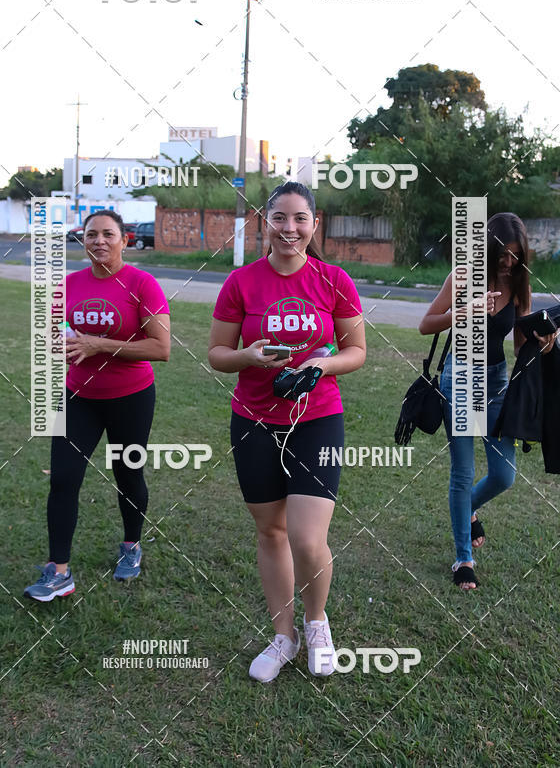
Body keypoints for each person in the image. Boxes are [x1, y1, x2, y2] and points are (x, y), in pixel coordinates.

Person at [208, 181, 366, 681]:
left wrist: (322, 367)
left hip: (316, 418)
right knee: (270, 530)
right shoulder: (241, 282)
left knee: (305, 535)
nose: (290, 229)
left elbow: (357, 351)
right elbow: (216, 354)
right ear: (265, 222)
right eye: (280, 218)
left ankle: (317, 623)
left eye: (300, 219)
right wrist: (248, 357)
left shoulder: (333, 278)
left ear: (314, 225)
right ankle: (284, 636)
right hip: (254, 420)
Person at [25, 210, 170, 601]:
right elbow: (53, 338)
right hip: (76, 397)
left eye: (108, 234)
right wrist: (58, 346)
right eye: (91, 235)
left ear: (124, 240)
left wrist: (100, 344)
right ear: (83, 241)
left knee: (127, 475)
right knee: (63, 479)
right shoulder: (67, 285)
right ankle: (59, 571)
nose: (99, 241)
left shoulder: (143, 284)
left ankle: (131, 546)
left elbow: (162, 348)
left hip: (131, 398)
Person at [419, 212, 558, 591]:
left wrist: (544, 343)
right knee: (462, 473)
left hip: (496, 382)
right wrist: (466, 310)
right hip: (459, 379)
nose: (508, 262)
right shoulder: (461, 277)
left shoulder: (518, 285)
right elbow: (426, 323)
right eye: (503, 254)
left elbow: (521, 343)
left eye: (515, 256)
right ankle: (463, 556)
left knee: (504, 475)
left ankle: (469, 511)